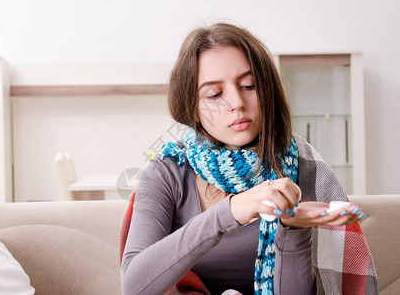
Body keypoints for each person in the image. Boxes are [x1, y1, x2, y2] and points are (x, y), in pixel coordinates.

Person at [120, 23, 378, 295]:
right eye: (215, 94)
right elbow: (134, 287)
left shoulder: (304, 166)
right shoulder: (168, 170)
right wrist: (231, 212)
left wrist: (292, 230)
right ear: (193, 108)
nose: (237, 102)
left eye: (249, 85)